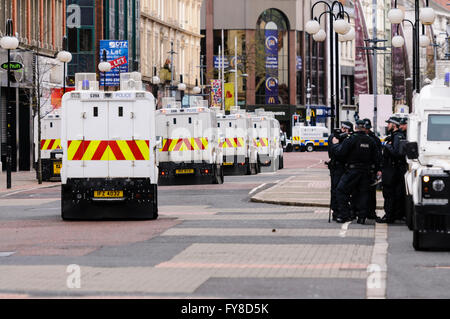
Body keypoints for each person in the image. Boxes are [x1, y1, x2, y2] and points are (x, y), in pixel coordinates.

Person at [332, 120, 380, 224]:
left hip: (352, 170)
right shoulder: (370, 141)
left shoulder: (351, 139)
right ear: (364, 128)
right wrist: (376, 171)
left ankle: (345, 214)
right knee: (363, 193)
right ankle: (361, 217)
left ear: (355, 127)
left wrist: (335, 145)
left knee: (341, 190)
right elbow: (377, 158)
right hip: (366, 172)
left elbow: (340, 153)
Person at [377, 116, 406, 224]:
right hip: (391, 170)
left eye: (389, 124)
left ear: (394, 125)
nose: (387, 125)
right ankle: (391, 215)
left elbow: (396, 153)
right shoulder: (394, 136)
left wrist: (386, 146)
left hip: (392, 171)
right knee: (390, 194)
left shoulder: (397, 136)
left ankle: (389, 216)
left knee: (389, 194)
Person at [327, 121, 353, 221]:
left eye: (345, 129)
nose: (343, 130)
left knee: (342, 190)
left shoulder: (346, 138)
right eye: (343, 128)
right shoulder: (335, 137)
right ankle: (337, 211)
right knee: (336, 189)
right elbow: (334, 152)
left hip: (344, 167)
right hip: (337, 167)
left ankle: (343, 211)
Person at [363, 118, 382, 220]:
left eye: (366, 128)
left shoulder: (374, 139)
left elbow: (378, 155)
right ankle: (361, 211)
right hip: (362, 168)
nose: (365, 130)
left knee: (371, 192)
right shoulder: (360, 137)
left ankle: (370, 212)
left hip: (371, 169)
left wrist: (379, 169)